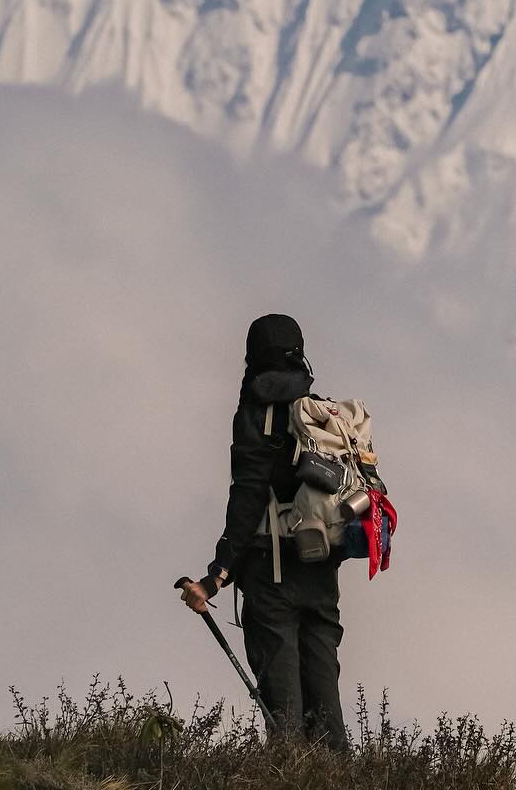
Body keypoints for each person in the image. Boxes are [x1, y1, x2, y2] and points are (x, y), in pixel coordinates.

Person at [178, 313, 348, 749]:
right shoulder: (322, 415)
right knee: (326, 706)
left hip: (271, 578)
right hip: (320, 569)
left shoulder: (258, 415)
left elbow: (249, 494)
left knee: (284, 716)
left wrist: (217, 575)